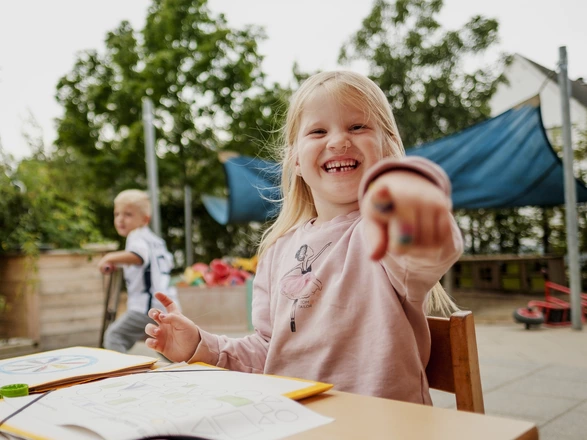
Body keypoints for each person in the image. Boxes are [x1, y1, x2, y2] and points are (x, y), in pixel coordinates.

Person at [145, 71, 463, 404]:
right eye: (318, 131)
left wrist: (417, 206)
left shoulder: (384, 232)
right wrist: (201, 345)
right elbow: (268, 351)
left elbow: (429, 251)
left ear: (388, 148)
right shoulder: (278, 250)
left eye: (358, 127)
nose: (338, 141)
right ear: (295, 159)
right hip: (293, 422)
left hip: (383, 427)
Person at [98, 189, 179, 353]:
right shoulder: (155, 240)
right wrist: (120, 263)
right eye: (117, 214)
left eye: (128, 214)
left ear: (145, 219)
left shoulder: (136, 236)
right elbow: (150, 266)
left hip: (146, 307)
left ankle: (122, 374)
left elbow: (138, 256)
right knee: (165, 347)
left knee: (115, 336)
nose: (120, 219)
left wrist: (109, 258)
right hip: (166, 304)